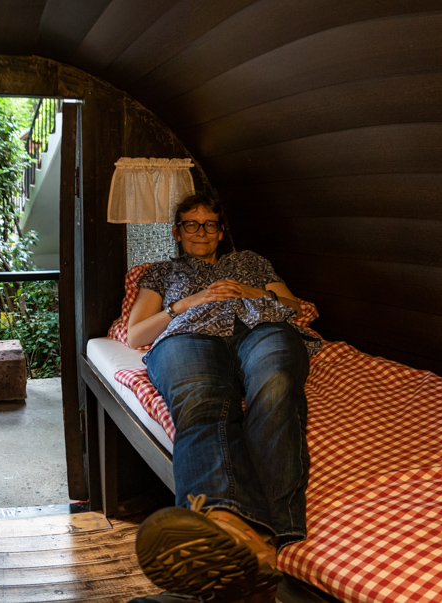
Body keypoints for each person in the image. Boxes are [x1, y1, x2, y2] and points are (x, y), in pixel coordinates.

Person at [127, 193, 321, 602]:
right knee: (204, 401)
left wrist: (255, 293)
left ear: (220, 230)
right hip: (190, 335)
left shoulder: (251, 261)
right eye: (192, 224)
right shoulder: (162, 271)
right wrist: (187, 303)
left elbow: (292, 305)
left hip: (260, 329)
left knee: (277, 386)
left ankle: (251, 535)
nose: (202, 232)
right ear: (177, 232)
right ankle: (228, 523)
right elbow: (137, 334)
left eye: (210, 224)